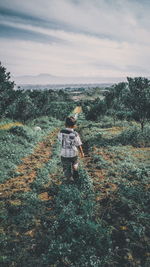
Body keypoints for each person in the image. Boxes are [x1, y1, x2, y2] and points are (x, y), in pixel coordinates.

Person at [58, 116, 84, 183]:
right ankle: (75, 168)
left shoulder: (61, 132)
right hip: (73, 153)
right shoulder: (75, 134)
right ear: (74, 126)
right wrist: (82, 153)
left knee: (66, 167)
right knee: (75, 162)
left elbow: (59, 139)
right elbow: (78, 144)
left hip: (64, 153)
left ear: (65, 124)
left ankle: (69, 178)